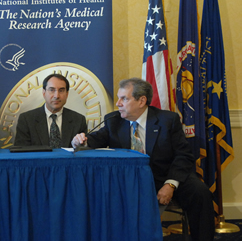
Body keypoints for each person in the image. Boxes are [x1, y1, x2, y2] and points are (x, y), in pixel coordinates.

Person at [71, 78, 215, 241]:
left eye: (124, 98)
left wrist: (170, 184)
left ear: (142, 101)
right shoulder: (114, 120)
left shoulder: (168, 120)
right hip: (127, 181)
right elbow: (93, 140)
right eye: (119, 98)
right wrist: (80, 140)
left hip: (163, 176)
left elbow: (184, 155)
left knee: (200, 192)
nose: (118, 103)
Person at [15, 74, 87, 148]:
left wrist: (80, 145)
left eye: (61, 90)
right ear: (44, 93)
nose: (56, 96)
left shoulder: (78, 120)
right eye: (52, 90)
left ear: (67, 94)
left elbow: (83, 150)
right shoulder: (27, 119)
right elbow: (21, 152)